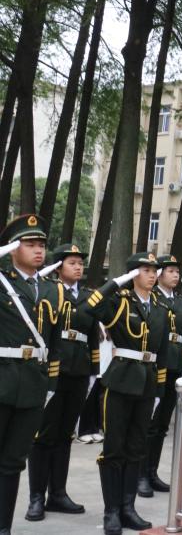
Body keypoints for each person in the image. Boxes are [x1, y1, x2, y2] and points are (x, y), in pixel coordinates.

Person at [82, 252, 169, 535]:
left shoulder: (160, 307)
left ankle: (128, 509)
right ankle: (111, 512)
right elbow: (89, 307)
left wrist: (159, 388)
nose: (152, 274)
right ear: (133, 274)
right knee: (114, 448)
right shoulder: (119, 302)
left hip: (147, 383)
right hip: (120, 381)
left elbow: (163, 350)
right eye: (145, 270)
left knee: (136, 447)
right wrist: (116, 282)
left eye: (154, 270)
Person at [0, 214, 64, 535]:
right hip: (2, 379)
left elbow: (55, 343)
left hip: (33, 386)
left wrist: (49, 384)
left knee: (13, 462)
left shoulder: (54, 290)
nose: (39, 250)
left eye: (42, 244)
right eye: (30, 244)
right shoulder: (2, 282)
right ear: (13, 248)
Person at [25, 243, 97, 521]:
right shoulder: (48, 291)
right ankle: (36, 497)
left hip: (78, 371)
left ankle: (58, 493)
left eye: (80, 263)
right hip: (53, 370)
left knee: (65, 435)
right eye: (72, 263)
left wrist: (93, 371)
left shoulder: (88, 296)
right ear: (58, 267)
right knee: (44, 435)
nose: (78, 267)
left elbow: (93, 336)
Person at [138, 254, 182, 497]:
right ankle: (140, 475)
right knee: (150, 423)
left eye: (177, 271)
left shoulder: (179, 301)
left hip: (174, 365)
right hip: (157, 364)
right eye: (170, 271)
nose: (175, 275)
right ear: (159, 274)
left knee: (161, 426)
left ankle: (152, 472)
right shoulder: (153, 297)